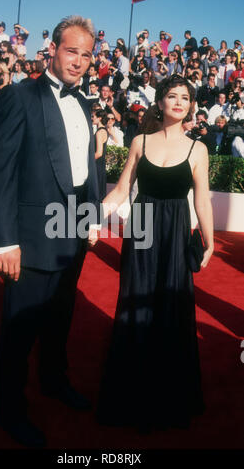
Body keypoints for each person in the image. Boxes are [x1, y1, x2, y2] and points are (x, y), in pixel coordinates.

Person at [0, 15, 100, 448]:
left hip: (71, 231)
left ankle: (54, 380)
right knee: (18, 329)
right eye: (72, 51)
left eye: (87, 54)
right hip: (29, 237)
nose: (79, 61)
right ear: (51, 49)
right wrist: (4, 240)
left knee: (59, 318)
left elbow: (85, 166)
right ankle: (9, 410)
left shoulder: (85, 103)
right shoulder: (19, 96)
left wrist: (89, 217)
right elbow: (0, 172)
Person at [90, 74, 214, 432]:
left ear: (191, 106)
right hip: (142, 223)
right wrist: (93, 219)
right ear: (159, 102)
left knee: (170, 302)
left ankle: (168, 395)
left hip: (176, 229)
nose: (178, 102)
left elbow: (202, 200)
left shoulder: (198, 149)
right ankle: (130, 392)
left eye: (185, 97)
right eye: (171, 96)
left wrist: (210, 241)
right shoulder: (139, 141)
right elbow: (122, 188)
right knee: (136, 297)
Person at [92, 109, 108, 201]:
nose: (92, 118)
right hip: (100, 166)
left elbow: (98, 153)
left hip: (97, 166)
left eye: (93, 116)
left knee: (96, 195)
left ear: (99, 118)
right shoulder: (103, 131)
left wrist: (87, 162)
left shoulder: (99, 132)